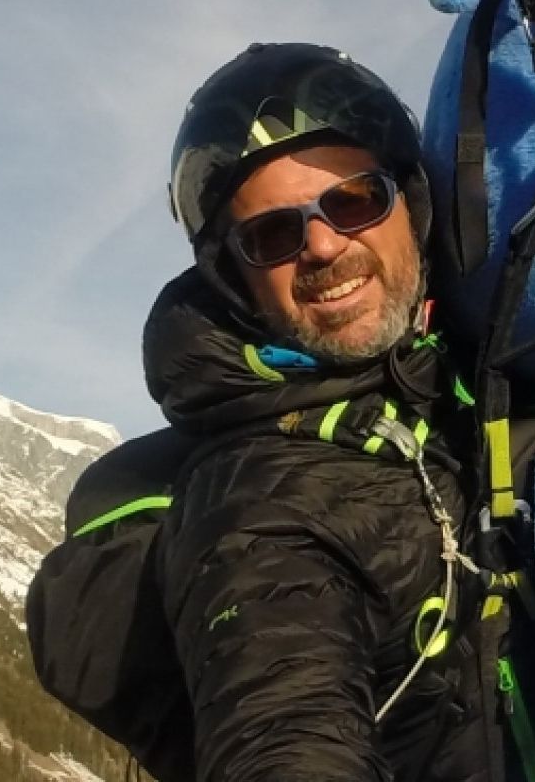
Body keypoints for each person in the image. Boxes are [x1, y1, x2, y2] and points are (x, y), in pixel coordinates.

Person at [136, 42, 488, 780]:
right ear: (238, 280)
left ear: (411, 203)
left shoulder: (481, 373)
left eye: (353, 200)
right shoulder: (254, 502)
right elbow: (282, 717)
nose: (324, 246)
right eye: (272, 235)